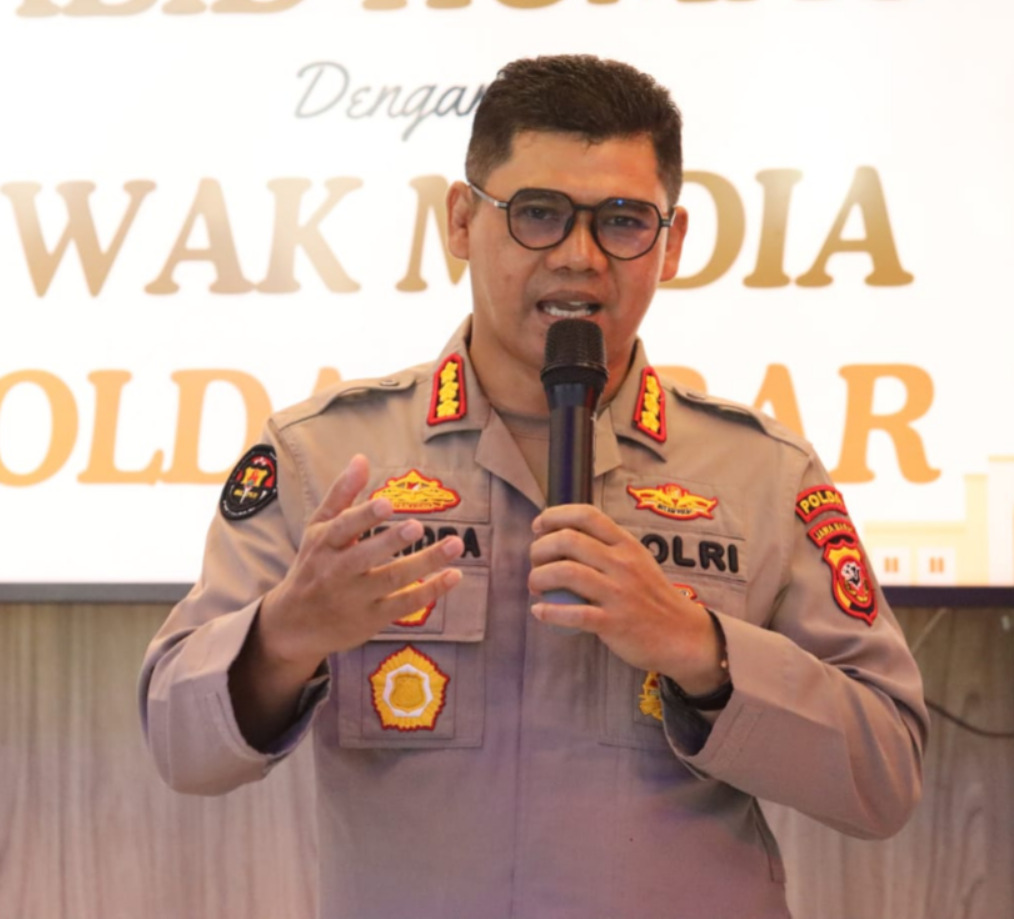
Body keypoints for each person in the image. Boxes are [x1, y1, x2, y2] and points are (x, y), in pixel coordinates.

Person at [139, 55, 928, 919]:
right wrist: (283, 637)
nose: (580, 258)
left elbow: (885, 777)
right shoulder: (322, 456)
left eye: (623, 221)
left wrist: (700, 649)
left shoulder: (764, 473)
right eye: (539, 214)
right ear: (461, 220)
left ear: (670, 245)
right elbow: (180, 745)